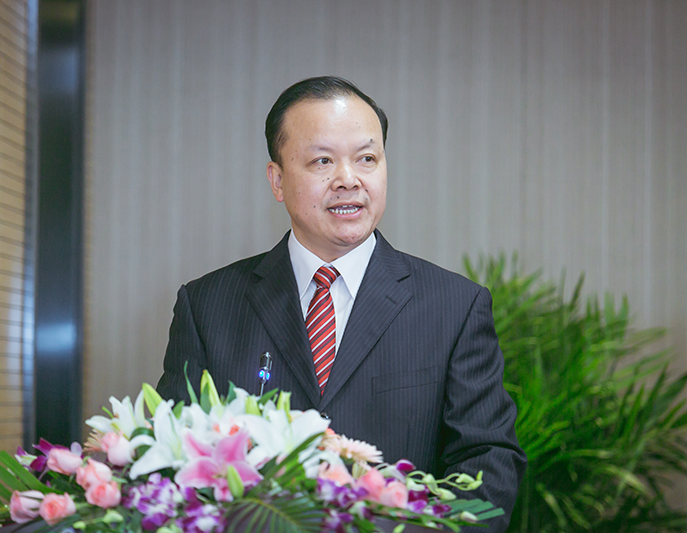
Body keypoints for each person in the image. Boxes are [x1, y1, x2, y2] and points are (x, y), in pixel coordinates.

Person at [157, 76, 525, 531]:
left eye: (367, 158)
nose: (348, 180)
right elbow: (173, 460)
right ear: (277, 180)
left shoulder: (455, 306)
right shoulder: (207, 306)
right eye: (322, 161)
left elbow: (487, 462)